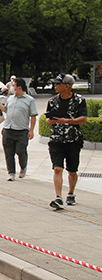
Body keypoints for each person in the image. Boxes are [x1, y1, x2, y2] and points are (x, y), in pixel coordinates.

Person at [45, 74, 87, 210]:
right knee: (57, 168)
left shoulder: (79, 100)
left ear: (67, 86)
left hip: (73, 139)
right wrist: (49, 121)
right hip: (56, 139)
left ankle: (71, 193)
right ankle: (58, 197)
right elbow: (48, 116)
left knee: (72, 170)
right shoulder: (52, 101)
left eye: (58, 84)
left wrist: (67, 121)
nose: (55, 86)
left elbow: (83, 119)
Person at [0, 77, 38, 181]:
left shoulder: (29, 100)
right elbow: (6, 110)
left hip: (22, 130)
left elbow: (33, 115)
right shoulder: (10, 98)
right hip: (8, 128)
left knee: (21, 151)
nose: (11, 87)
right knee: (8, 152)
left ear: (19, 87)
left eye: (13, 85)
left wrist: (31, 130)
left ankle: (23, 167)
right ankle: (11, 172)